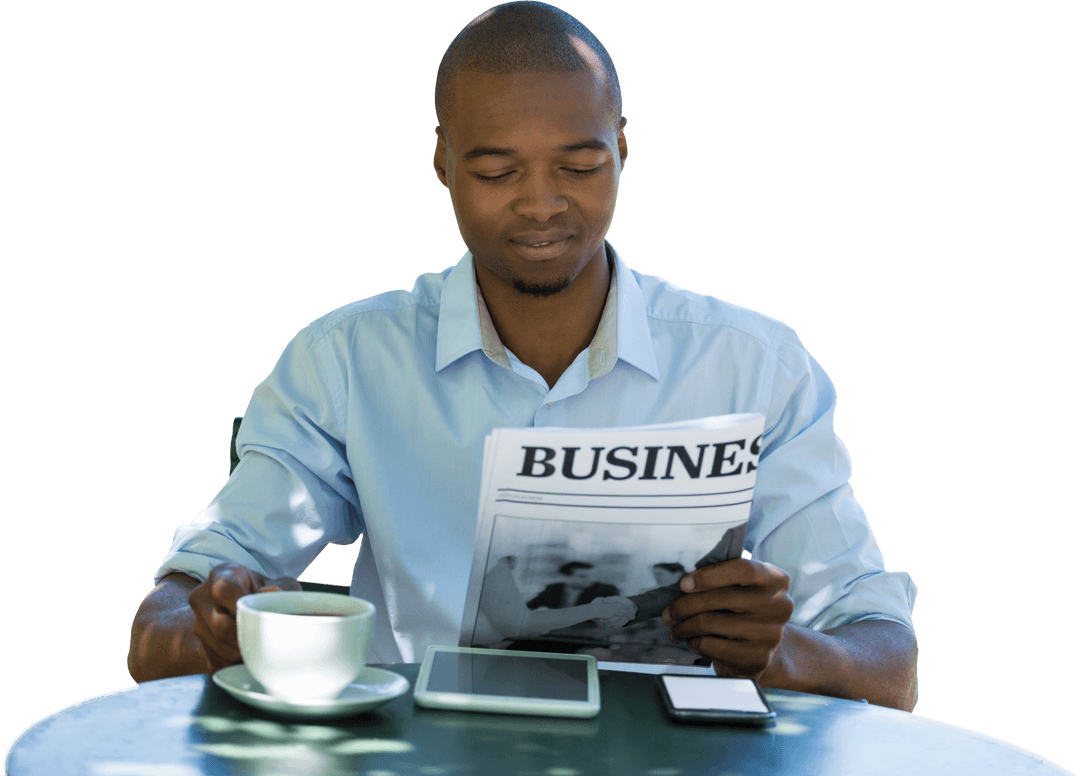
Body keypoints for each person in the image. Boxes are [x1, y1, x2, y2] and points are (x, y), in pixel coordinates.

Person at [128, 1, 918, 710]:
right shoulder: (346, 363)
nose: (541, 203)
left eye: (580, 166)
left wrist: (783, 654)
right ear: (443, 164)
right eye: (496, 170)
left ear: (623, 152)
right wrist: (217, 628)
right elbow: (158, 630)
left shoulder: (755, 367)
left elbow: (889, 665)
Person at [526, 561, 620, 609]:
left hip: (588, 634)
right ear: (565, 577)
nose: (590, 579)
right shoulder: (553, 588)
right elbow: (529, 606)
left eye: (592, 576)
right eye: (583, 576)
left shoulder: (606, 590)